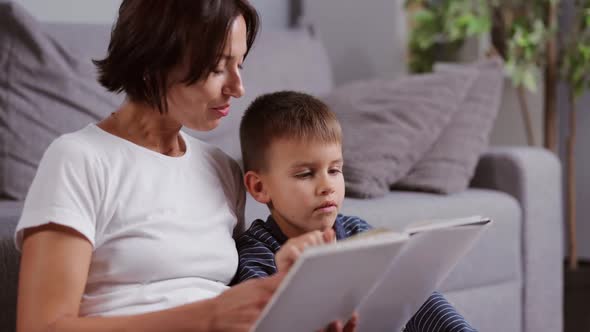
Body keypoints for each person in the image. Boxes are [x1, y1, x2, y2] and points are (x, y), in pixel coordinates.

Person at [14, 2, 352, 332]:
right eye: (218, 68)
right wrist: (208, 318)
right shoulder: (79, 159)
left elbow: (238, 301)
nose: (237, 88)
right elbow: (41, 325)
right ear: (153, 62)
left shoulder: (221, 169)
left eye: (240, 65)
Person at [234, 90, 478, 332]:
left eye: (334, 170)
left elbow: (417, 300)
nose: (327, 186)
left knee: (414, 285)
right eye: (306, 174)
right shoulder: (256, 255)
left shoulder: (356, 231)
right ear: (259, 187)